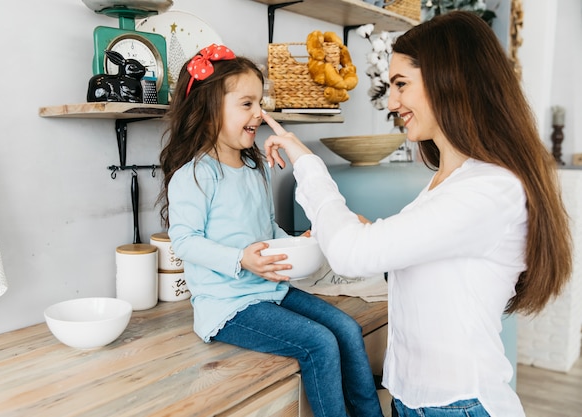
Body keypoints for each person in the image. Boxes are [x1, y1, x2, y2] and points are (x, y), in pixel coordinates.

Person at [262, 12, 572, 417]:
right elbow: (422, 251)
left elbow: (354, 254)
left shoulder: (490, 188)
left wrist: (307, 164)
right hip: (415, 403)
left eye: (401, 85)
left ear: (450, 80)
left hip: (461, 406)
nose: (392, 103)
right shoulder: (448, 179)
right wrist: (365, 232)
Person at [157, 44, 384, 417]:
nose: (258, 114)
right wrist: (240, 259)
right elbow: (184, 241)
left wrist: (297, 243)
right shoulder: (194, 175)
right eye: (246, 104)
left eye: (259, 103)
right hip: (227, 305)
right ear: (208, 110)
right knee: (319, 343)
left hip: (269, 290)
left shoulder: (254, 167)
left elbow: (266, 228)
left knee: (345, 327)